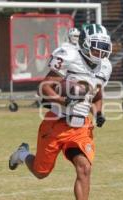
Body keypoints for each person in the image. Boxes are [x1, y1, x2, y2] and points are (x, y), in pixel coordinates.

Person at [8, 23, 112, 200]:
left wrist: (99, 113)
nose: (100, 53)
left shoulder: (105, 67)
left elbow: (97, 94)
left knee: (84, 168)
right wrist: (63, 100)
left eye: (104, 48)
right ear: (85, 44)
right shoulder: (70, 57)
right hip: (56, 123)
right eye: (97, 48)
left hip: (80, 128)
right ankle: (22, 154)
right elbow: (44, 87)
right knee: (41, 172)